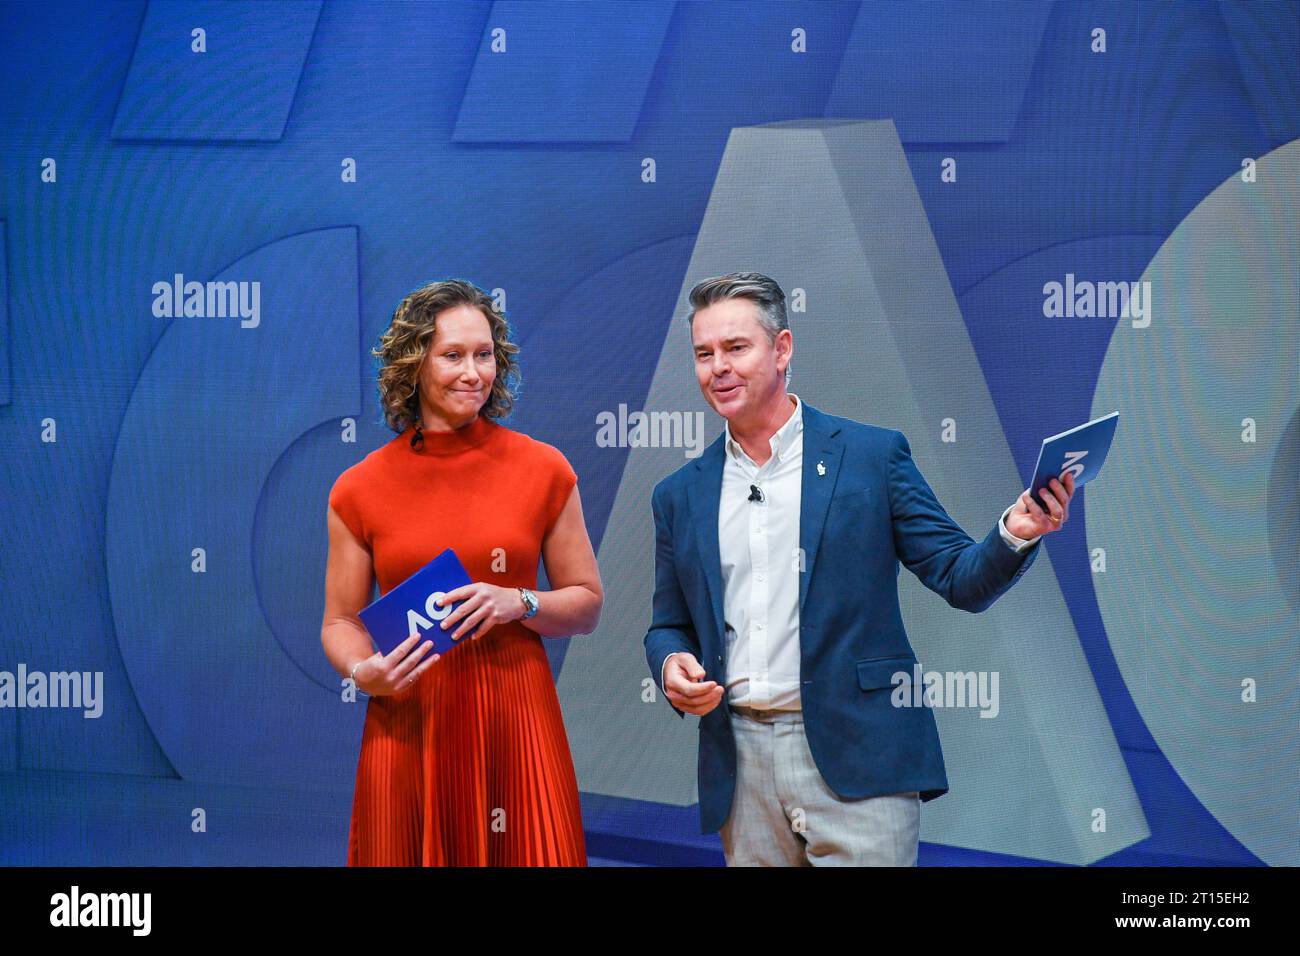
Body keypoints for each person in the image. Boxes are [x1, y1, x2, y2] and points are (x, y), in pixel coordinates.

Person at [644, 272, 1074, 866]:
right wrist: (670, 664)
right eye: (703, 354)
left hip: (860, 758)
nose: (718, 367)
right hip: (739, 767)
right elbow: (666, 623)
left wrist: (1014, 535)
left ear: (783, 348)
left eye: (736, 348)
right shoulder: (678, 494)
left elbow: (959, 576)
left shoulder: (872, 457)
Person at [321, 279, 603, 866]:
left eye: (484, 354)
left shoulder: (543, 469)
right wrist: (363, 670)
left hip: (515, 725)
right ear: (413, 363)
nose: (473, 372)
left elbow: (586, 604)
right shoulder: (359, 488)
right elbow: (340, 622)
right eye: (453, 356)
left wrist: (520, 602)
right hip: (409, 728)